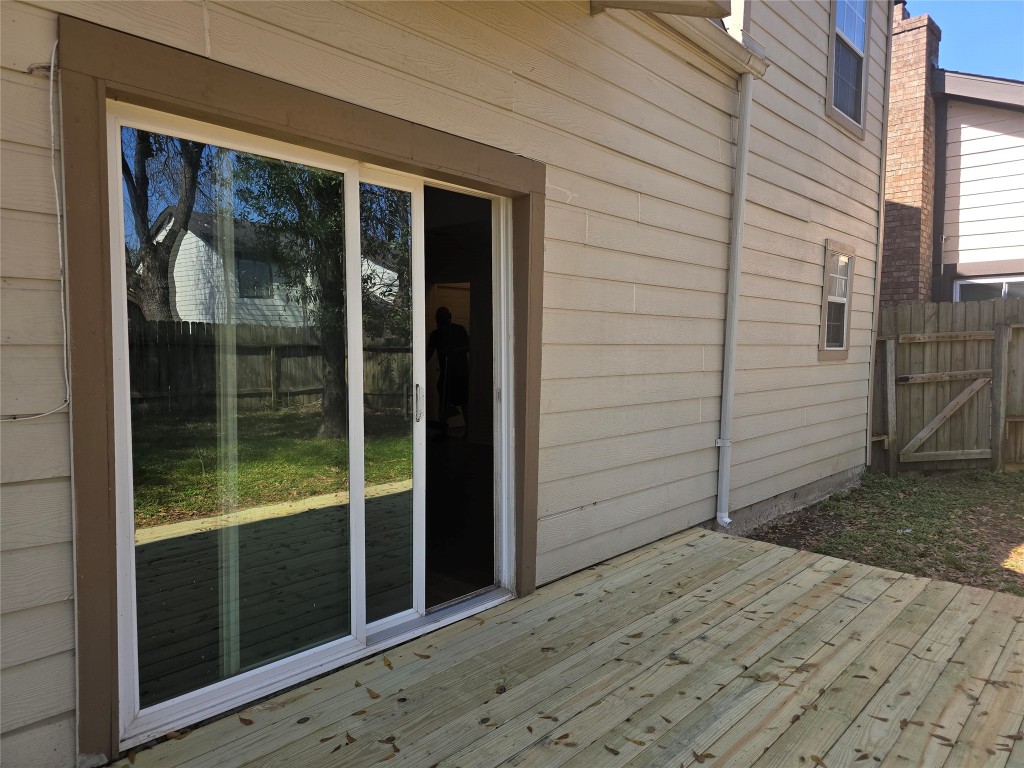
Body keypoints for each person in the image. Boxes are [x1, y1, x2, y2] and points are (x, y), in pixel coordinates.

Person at [426, 306, 469, 435]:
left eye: (442, 318)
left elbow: (469, 346)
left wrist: (454, 351)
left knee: (464, 402)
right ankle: (443, 429)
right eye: (438, 318)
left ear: (448, 317)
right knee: (444, 399)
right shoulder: (435, 334)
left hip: (460, 372)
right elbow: (429, 353)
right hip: (446, 373)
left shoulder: (458, 330)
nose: (439, 321)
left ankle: (468, 430)